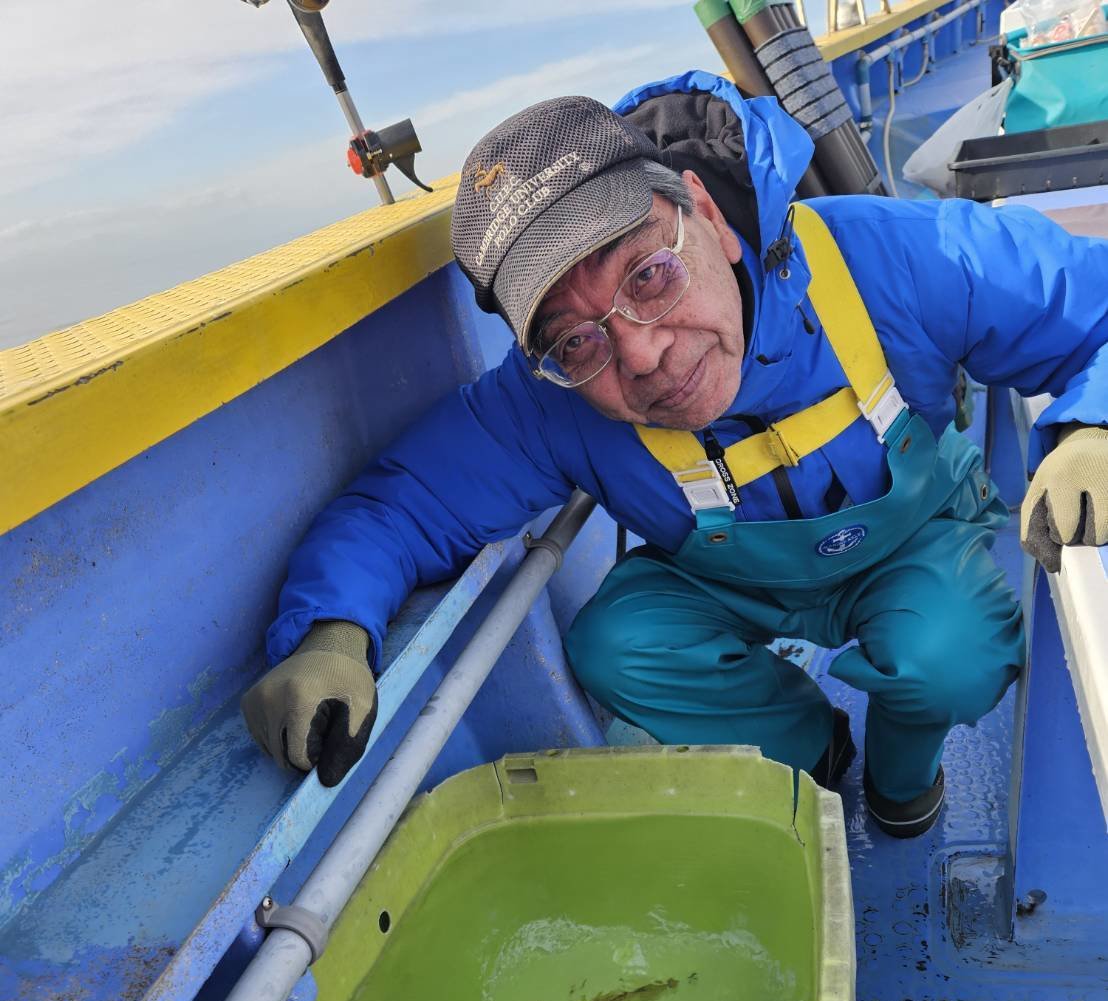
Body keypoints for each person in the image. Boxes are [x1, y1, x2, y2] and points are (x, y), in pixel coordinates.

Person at [242, 72, 1108, 837]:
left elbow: (1088, 303)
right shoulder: (548, 400)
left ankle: (901, 785)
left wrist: (1092, 429)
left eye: (649, 274)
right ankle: (814, 755)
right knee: (616, 643)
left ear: (707, 214)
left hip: (912, 542)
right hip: (733, 582)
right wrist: (331, 632)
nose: (644, 353)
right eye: (576, 338)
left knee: (950, 656)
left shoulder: (892, 258)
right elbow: (404, 505)